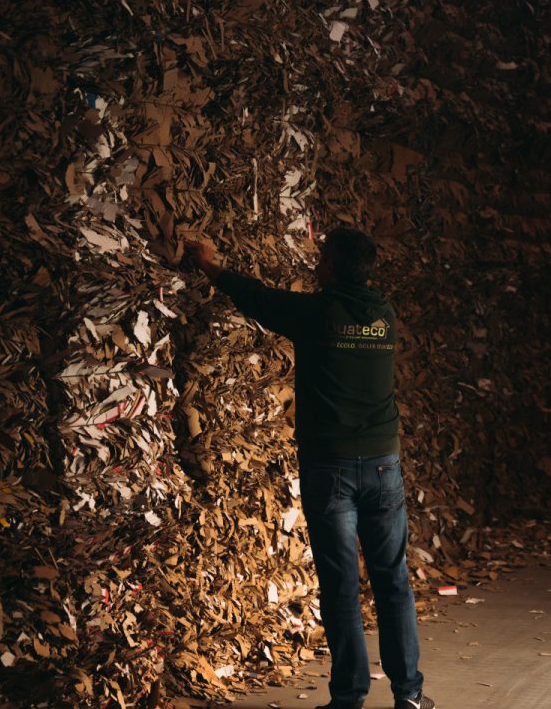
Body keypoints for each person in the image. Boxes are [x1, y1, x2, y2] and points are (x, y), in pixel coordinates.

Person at [184, 228, 435, 709]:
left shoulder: (317, 314)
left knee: (341, 583)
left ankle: (348, 698)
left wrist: (214, 267)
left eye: (322, 260)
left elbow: (259, 298)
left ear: (331, 267)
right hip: (384, 466)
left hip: (331, 468)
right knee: (393, 580)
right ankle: (410, 696)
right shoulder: (384, 316)